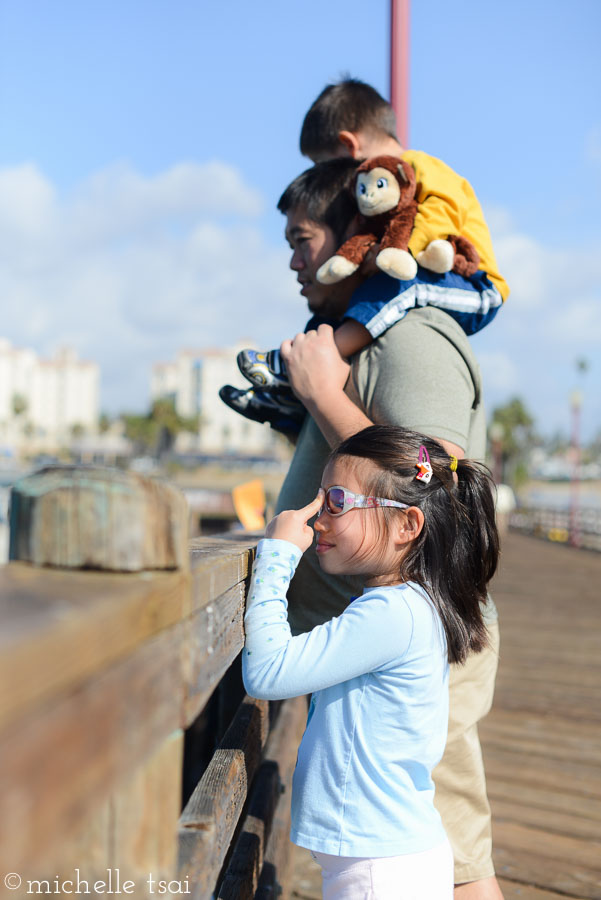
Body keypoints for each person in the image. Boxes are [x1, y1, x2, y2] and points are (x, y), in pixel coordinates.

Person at [272, 156, 504, 899]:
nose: (293, 260)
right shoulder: (360, 340)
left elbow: (434, 477)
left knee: (458, 870)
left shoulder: (414, 337)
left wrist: (318, 391)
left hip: (407, 653)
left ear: (356, 236)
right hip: (370, 648)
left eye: (302, 239)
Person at [243, 425, 500, 900]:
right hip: (386, 856)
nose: (318, 518)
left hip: (379, 869)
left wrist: (276, 557)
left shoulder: (391, 614)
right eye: (320, 500)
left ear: (408, 525)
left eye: (336, 501)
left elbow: (267, 672)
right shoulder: (406, 605)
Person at [220, 78, 508, 434]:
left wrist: (394, 251)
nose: (325, 177)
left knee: (403, 287)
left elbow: (440, 216)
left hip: (475, 285)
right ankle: (288, 392)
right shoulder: (390, 187)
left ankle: (326, 354)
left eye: (323, 164)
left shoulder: (418, 168)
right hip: (423, 270)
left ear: (348, 146)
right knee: (364, 300)